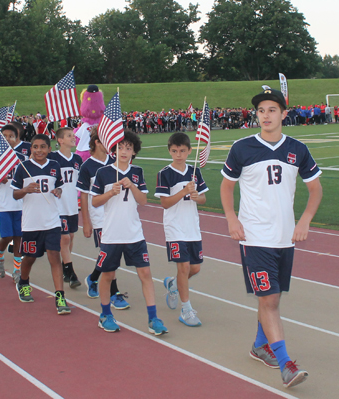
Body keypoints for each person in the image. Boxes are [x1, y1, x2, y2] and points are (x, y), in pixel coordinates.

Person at [220, 88, 322, 389]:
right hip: (254, 236)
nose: (266, 115)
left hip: (284, 238)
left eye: (272, 110)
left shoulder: (298, 149)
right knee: (271, 299)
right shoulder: (242, 148)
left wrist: (304, 220)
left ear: (283, 114)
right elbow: (227, 188)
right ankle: (286, 364)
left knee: (271, 297)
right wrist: (231, 218)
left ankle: (259, 345)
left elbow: (315, 189)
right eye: (261, 110)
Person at [90, 130, 167, 335]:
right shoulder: (104, 172)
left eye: (128, 148)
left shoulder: (137, 172)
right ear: (113, 149)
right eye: (120, 147)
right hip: (112, 234)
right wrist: (110, 192)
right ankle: (105, 315)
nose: (124, 151)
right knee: (107, 275)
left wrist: (132, 186)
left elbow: (143, 201)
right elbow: (95, 201)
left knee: (145, 273)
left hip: (134, 234)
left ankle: (153, 318)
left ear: (134, 151)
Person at [10, 134, 70, 315]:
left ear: (49, 149)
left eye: (43, 147)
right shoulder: (23, 168)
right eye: (35, 147)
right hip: (31, 223)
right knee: (29, 257)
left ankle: (60, 296)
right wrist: (26, 189)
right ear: (31, 149)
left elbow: (59, 186)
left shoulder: (54, 166)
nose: (39, 150)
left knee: (54, 256)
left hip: (51, 220)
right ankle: (24, 282)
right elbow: (14, 194)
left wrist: (58, 190)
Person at [155, 132, 208, 327]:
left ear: (189, 151)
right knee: (184, 267)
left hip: (192, 226)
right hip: (175, 227)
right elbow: (165, 203)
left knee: (195, 268)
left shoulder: (194, 172)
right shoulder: (165, 173)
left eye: (183, 151)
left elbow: (203, 198)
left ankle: (173, 284)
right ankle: (186, 310)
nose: (179, 154)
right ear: (169, 151)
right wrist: (183, 191)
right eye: (175, 151)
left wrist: (196, 196)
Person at [76, 129, 130, 309]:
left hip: (116, 216)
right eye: (107, 140)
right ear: (98, 142)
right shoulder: (87, 166)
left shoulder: (114, 163)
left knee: (107, 255)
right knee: (110, 255)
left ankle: (93, 278)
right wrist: (86, 222)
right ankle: (114, 293)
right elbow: (83, 196)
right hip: (99, 217)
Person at [48, 127, 83, 288]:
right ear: (60, 140)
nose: (73, 137)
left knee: (71, 237)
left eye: (73, 135)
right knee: (65, 238)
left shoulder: (77, 159)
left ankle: (64, 265)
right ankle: (70, 271)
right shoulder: (53, 158)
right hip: (57, 205)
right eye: (69, 136)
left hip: (71, 205)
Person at [0, 124, 26, 283]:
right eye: (4, 136)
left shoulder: (22, 157)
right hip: (4, 203)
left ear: (16, 138)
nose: (8, 139)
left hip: (19, 202)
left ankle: (17, 270)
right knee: (7, 236)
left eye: (11, 136)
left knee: (19, 236)